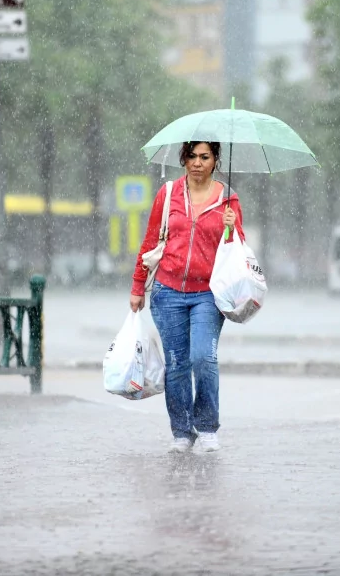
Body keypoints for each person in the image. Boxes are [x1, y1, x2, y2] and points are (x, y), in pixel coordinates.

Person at [130, 141, 244, 454]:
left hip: (208, 294)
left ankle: (206, 427)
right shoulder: (168, 194)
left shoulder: (228, 199)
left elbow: (236, 249)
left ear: (216, 160)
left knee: (203, 358)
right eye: (191, 156)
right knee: (177, 363)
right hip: (167, 292)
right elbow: (150, 241)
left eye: (205, 157)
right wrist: (138, 286)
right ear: (183, 159)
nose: (197, 163)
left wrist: (231, 228)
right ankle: (181, 432)